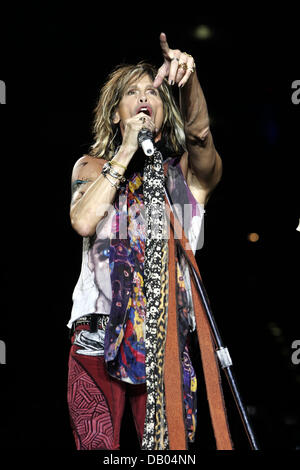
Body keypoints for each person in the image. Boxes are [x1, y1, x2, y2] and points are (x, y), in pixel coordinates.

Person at [67, 32, 232, 451]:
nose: (144, 97)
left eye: (152, 92)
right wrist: (124, 152)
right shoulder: (92, 166)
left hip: (166, 342)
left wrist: (188, 82)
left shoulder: (184, 178)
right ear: (117, 114)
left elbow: (200, 139)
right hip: (97, 337)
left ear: (164, 109)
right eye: (132, 93)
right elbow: (84, 220)